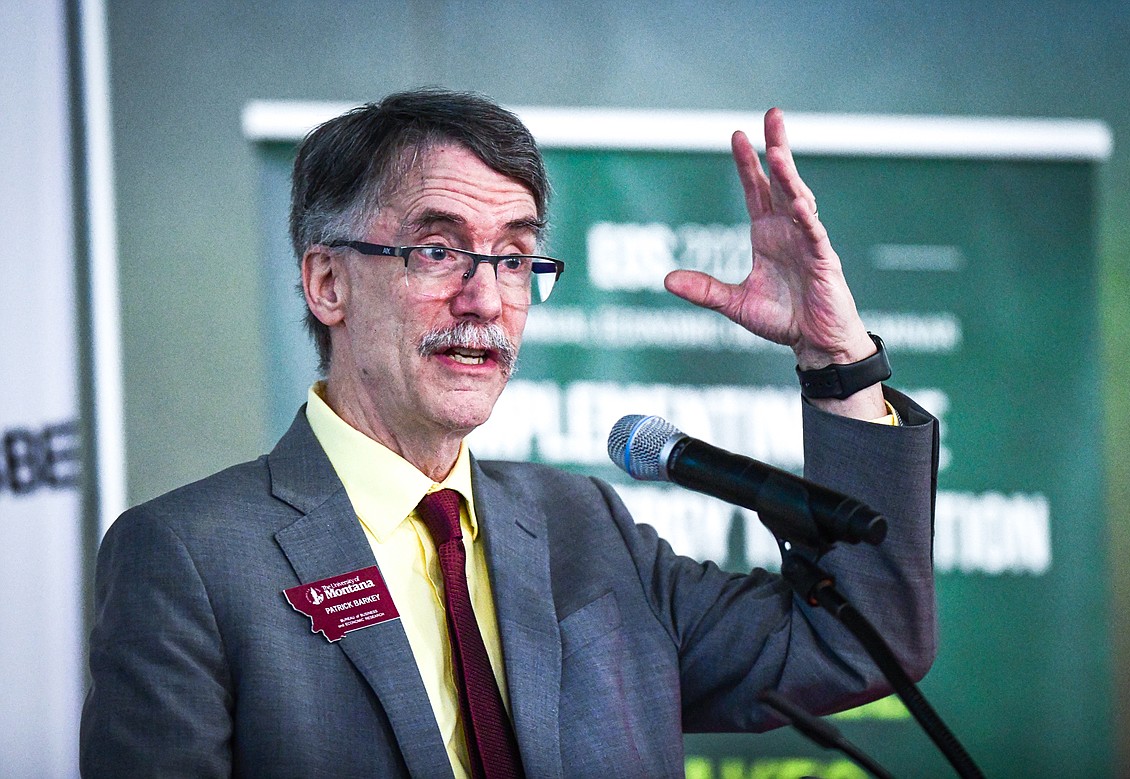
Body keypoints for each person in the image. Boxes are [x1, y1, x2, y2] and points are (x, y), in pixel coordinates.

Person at [80, 88, 938, 778]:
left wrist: (837, 360)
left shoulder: (586, 529)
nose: (486, 300)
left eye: (516, 257)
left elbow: (865, 634)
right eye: (438, 251)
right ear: (328, 282)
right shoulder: (187, 558)